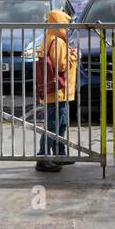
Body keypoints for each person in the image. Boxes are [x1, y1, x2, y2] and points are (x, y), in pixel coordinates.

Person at [34, 9, 78, 172]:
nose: (67, 28)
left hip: (55, 90)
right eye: (65, 25)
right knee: (54, 124)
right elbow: (62, 65)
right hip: (59, 90)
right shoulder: (58, 42)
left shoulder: (49, 38)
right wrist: (74, 56)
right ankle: (44, 157)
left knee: (60, 123)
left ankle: (59, 154)